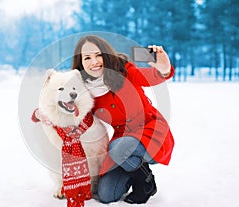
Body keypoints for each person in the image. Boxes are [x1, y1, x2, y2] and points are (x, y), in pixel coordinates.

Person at [71, 35, 175, 204]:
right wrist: (45, 114)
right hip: (122, 142)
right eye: (87, 58)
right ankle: (134, 168)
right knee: (106, 194)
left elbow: (151, 76)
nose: (94, 62)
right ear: (80, 62)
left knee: (118, 148)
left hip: (150, 130)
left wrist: (163, 68)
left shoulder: (124, 70)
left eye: (98, 55)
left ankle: (146, 184)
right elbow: (70, 108)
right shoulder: (84, 90)